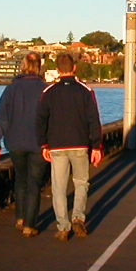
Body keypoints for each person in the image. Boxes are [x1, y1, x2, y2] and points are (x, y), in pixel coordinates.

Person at [36, 53, 103, 241]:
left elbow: (41, 120)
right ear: (74, 68)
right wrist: (96, 146)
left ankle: (63, 226)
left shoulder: (48, 92)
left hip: (56, 146)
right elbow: (93, 119)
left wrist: (43, 144)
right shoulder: (85, 91)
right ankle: (78, 217)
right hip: (80, 144)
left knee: (58, 187)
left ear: (57, 70)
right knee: (81, 182)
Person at [0, 52, 47, 238]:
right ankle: (29, 224)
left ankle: (20, 217)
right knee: (34, 183)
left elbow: (1, 117)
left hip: (15, 142)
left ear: (22, 66)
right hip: (38, 142)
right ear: (39, 66)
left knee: (20, 179)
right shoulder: (45, 89)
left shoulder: (12, 89)